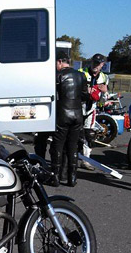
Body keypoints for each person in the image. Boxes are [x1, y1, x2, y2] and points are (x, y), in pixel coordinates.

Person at [43, 51, 88, 187]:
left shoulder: (59, 75)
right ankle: (72, 177)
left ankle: (55, 177)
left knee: (58, 145)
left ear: (60, 62)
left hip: (63, 113)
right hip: (77, 114)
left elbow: (52, 94)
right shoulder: (81, 75)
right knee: (73, 146)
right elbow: (85, 95)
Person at [79, 54, 109, 170]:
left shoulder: (104, 77)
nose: (95, 66)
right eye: (94, 63)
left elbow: (104, 98)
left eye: (98, 64)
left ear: (102, 65)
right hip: (78, 107)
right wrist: (85, 90)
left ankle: (86, 159)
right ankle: (70, 156)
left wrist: (104, 92)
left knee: (89, 134)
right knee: (75, 133)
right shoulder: (81, 72)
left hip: (91, 109)